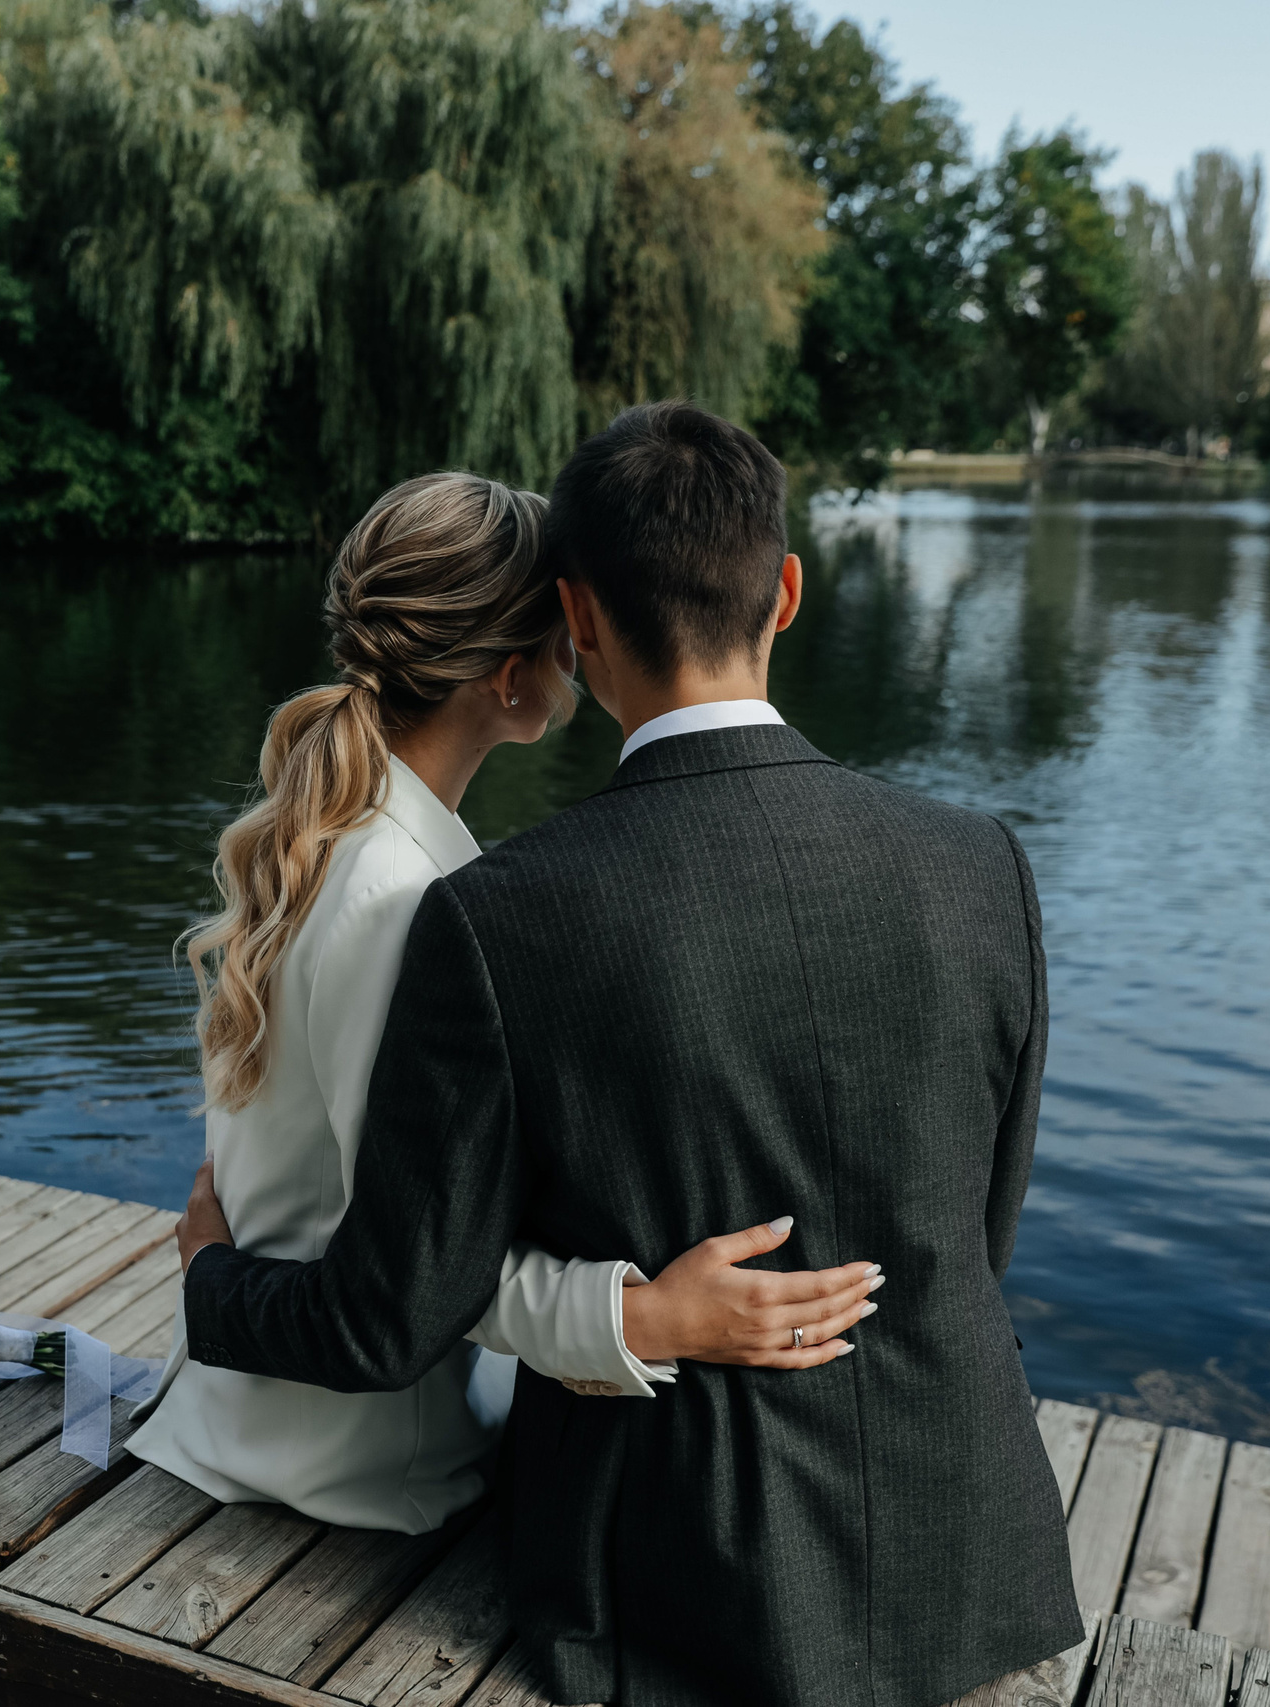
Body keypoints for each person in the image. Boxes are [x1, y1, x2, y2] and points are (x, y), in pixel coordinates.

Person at [174, 406, 1083, 1707]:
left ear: (579, 620)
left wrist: (213, 1279)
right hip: (968, 1550)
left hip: (667, 1581)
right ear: (785, 591)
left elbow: (416, 1288)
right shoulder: (981, 861)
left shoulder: (499, 913)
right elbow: (976, 1241)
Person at [128, 470, 881, 1535]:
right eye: (566, 629)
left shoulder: (339, 833)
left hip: (260, 1411)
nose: (587, 649)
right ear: (510, 676)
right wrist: (646, 1318)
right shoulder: (403, 897)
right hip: (354, 1470)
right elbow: (412, 1266)